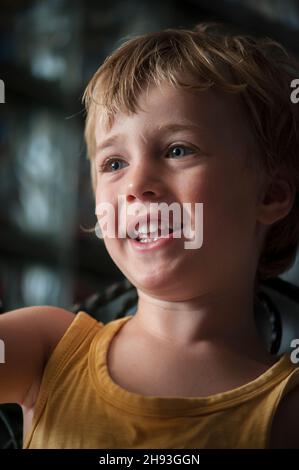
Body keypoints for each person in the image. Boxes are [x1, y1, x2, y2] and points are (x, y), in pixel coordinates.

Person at [1, 22, 299, 449]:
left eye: (178, 150)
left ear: (270, 194)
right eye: (114, 163)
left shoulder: (288, 412)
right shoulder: (48, 349)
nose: (137, 183)